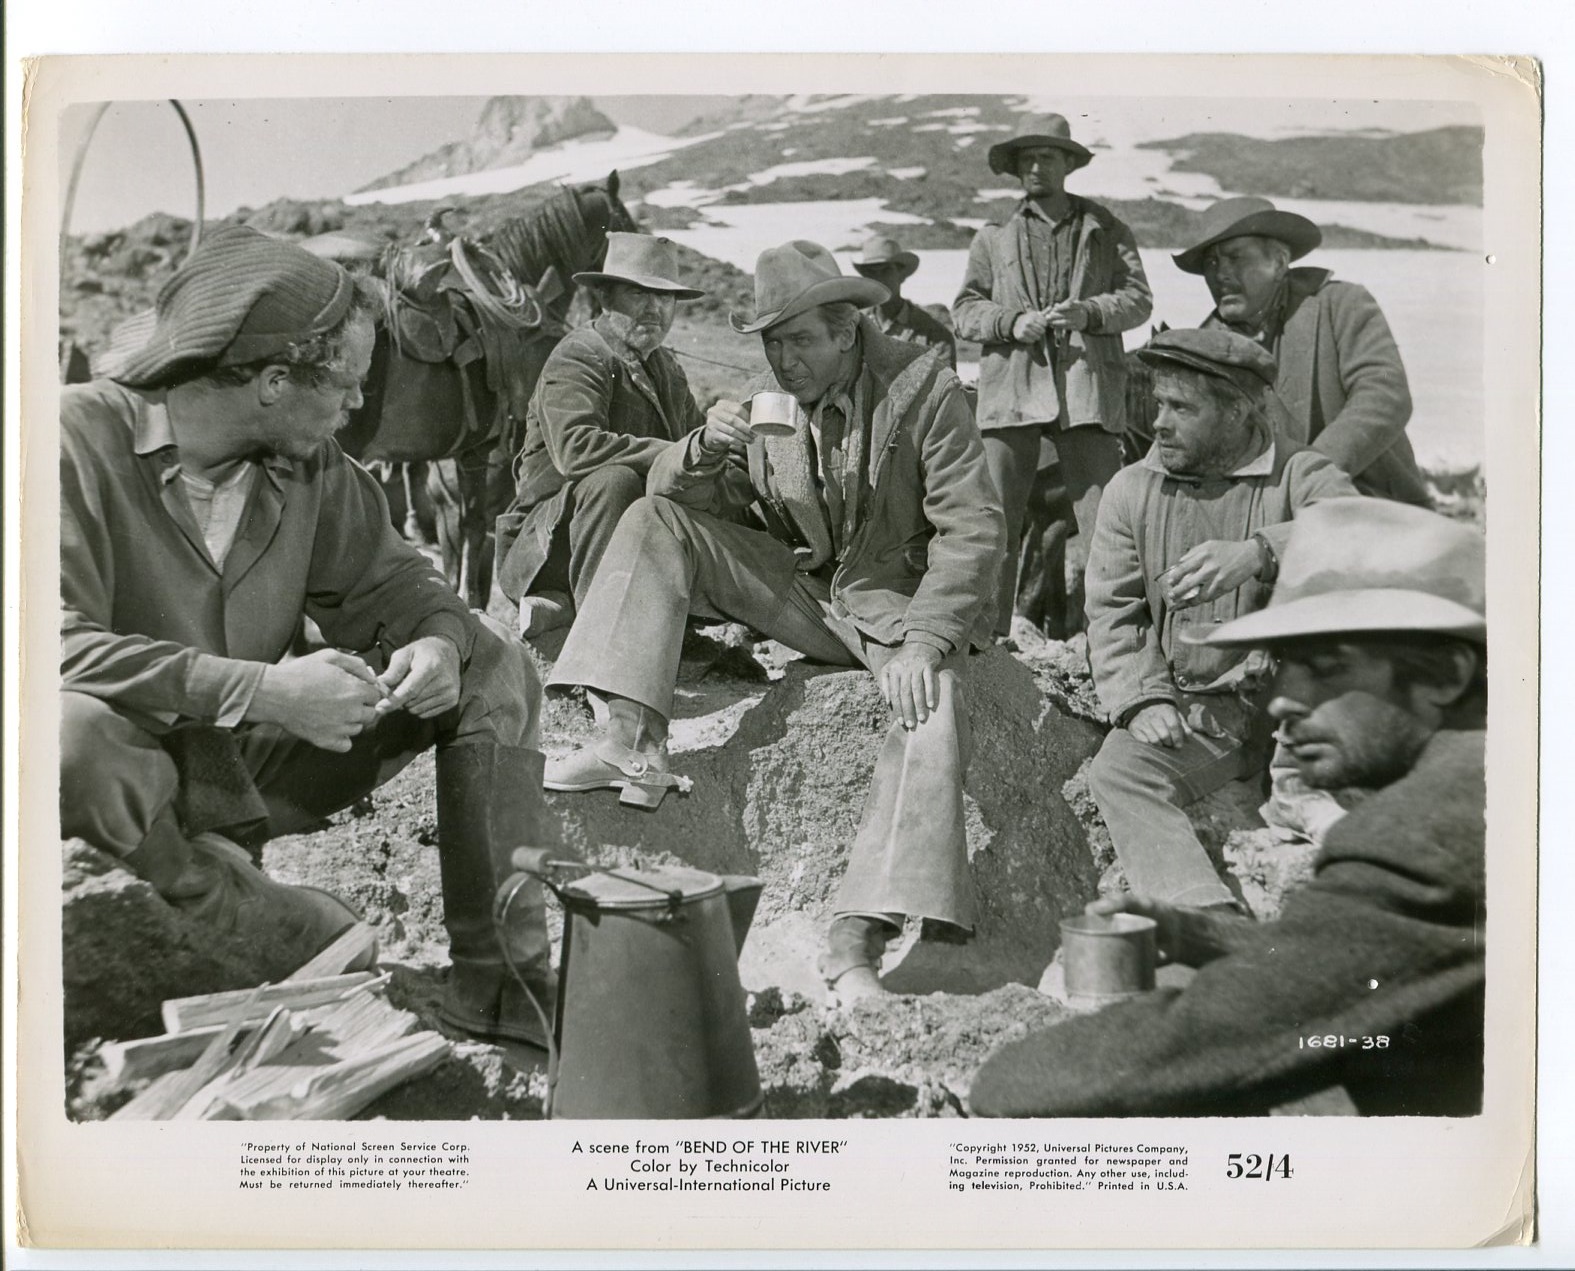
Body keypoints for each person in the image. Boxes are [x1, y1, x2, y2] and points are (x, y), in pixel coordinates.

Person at [60, 226, 558, 1049]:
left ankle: (502, 985)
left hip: (237, 776)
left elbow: (405, 585)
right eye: (348, 384)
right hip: (120, 787)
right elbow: (47, 646)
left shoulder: (313, 467)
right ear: (273, 381)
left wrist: (436, 641)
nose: (359, 406)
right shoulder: (71, 437)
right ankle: (216, 906)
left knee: (493, 662)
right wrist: (265, 690)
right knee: (67, 732)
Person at [542, 240, 1005, 1002]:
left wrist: (926, 641)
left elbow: (972, 528)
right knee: (653, 517)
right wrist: (701, 449)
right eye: (771, 344)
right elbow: (706, 508)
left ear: (845, 332)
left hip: (900, 608)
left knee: (931, 702)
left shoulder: (925, 391)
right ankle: (629, 740)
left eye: (798, 342)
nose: (782, 362)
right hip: (811, 596)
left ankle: (859, 935)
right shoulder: (770, 401)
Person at [970, 497, 1486, 1117]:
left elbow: (1200, 1045)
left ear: (1445, 676)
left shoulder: (1420, 839)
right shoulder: (1493, 783)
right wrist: (1208, 936)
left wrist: (993, 1076)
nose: (1283, 701)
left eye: (1326, 669)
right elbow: (1366, 967)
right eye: (1285, 668)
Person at [1084, 329, 1356, 908]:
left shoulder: (1300, 473)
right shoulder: (1131, 490)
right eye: (1158, 403)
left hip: (1298, 712)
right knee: (1119, 772)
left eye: (1181, 408)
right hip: (1200, 716)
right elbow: (1114, 612)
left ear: (1237, 412)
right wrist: (1142, 700)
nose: (1158, 423)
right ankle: (1206, 916)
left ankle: (1298, 786)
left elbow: (1363, 535)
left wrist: (1260, 552)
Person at [953, 113, 1153, 638]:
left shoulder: (1106, 231)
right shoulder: (993, 237)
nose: (1036, 167)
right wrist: (1010, 322)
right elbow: (965, 310)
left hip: (1087, 391)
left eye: (1046, 156)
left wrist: (1090, 312)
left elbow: (1139, 300)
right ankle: (985, 641)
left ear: (1068, 163)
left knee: (1107, 523)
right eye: (1027, 159)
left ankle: (1114, 640)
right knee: (993, 520)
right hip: (1012, 391)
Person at [495, 233, 707, 635]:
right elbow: (575, 449)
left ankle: (669, 624)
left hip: (617, 544)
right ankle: (600, 637)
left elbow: (695, 442)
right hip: (547, 549)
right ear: (606, 298)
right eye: (638, 293)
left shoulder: (666, 368)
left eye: (665, 297)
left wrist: (720, 445)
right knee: (615, 481)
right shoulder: (580, 354)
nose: (654, 308)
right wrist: (675, 454)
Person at [1175, 196, 1429, 506]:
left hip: (1368, 504)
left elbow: (1385, 397)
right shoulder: (1206, 349)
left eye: (1235, 257)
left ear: (1279, 262)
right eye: (1211, 263)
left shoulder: (1341, 305)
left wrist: (1309, 476)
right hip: (1262, 517)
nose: (1221, 274)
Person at [850, 233, 956, 367]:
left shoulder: (934, 335)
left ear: (901, 275)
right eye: (871, 272)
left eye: (886, 270)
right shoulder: (852, 328)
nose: (879, 279)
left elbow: (945, 379)